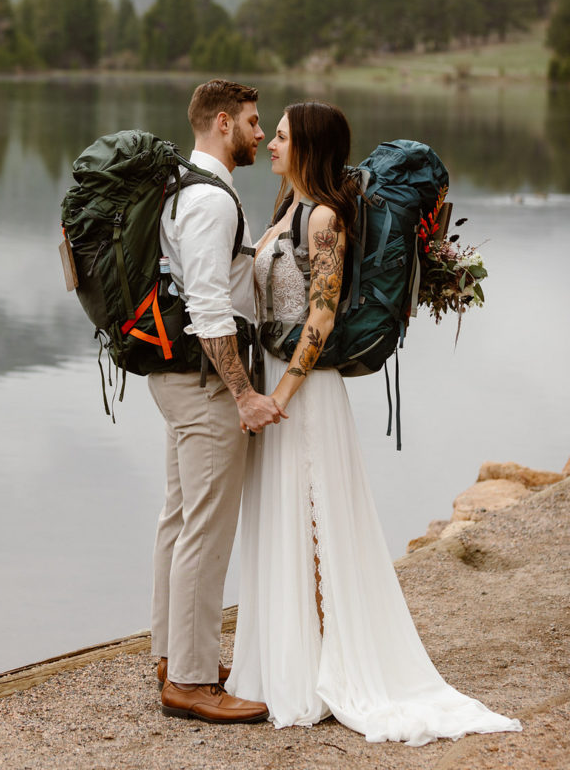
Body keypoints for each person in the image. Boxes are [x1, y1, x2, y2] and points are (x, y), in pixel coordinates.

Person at [226, 100, 522, 746]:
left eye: (279, 137)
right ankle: (290, 659)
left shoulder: (325, 219)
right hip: (279, 384)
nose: (269, 145)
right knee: (284, 519)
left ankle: (332, 661)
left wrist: (283, 393)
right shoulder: (284, 211)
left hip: (306, 391)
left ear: (306, 147)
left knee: (317, 518)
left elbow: (323, 316)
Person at [150, 79, 287, 724]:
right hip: (204, 386)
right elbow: (208, 306)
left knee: (180, 521)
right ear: (224, 122)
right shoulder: (210, 200)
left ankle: (174, 656)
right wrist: (244, 393)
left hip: (177, 378)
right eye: (257, 123)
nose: (262, 134)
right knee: (205, 530)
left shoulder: (188, 186)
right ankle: (194, 681)